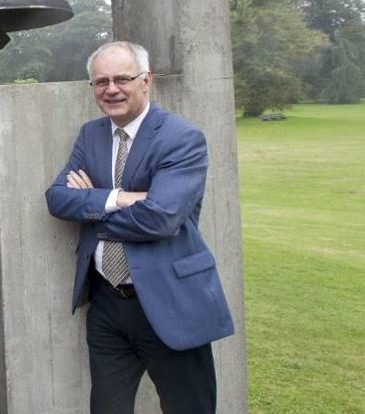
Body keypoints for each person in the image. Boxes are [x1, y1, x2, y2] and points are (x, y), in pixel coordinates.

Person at [45, 41, 234, 414]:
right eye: (101, 82)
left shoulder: (180, 137)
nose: (111, 89)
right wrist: (120, 198)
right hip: (106, 306)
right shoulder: (91, 134)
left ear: (146, 81)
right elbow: (57, 199)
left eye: (122, 79)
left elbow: (160, 218)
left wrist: (93, 206)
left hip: (170, 302)